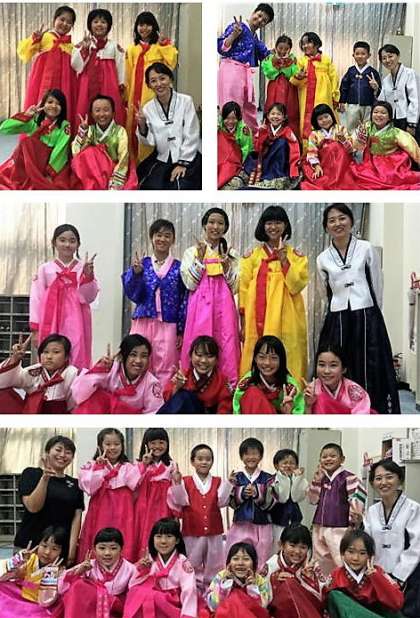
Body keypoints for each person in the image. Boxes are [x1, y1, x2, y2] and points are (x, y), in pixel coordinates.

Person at [317, 204, 401, 413]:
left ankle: (372, 408)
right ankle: (340, 408)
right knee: (338, 362)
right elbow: (323, 290)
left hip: (366, 314)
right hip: (337, 317)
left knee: (371, 364)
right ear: (326, 227)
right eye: (332, 220)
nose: (338, 223)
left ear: (351, 221)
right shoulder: (322, 258)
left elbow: (377, 282)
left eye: (342, 218)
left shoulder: (366, 248)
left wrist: (374, 313)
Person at [239, 206, 308, 381]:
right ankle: (253, 392)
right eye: (269, 223)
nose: (273, 227)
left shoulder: (296, 256)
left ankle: (290, 392)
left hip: (287, 317)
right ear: (263, 226)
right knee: (256, 353)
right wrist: (243, 322)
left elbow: (297, 286)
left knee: (287, 352)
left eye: (278, 222)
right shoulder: (252, 256)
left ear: (285, 226)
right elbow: (243, 289)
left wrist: (284, 262)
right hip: (256, 318)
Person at [121, 219, 187, 386]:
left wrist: (181, 330)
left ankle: (163, 398)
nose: (162, 239)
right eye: (158, 235)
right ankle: (135, 396)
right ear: (152, 237)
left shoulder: (179, 267)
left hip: (168, 324)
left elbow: (184, 300)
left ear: (173, 239)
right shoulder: (142, 264)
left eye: (167, 236)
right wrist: (136, 274)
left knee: (167, 364)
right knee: (139, 360)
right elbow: (133, 294)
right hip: (143, 320)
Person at [180, 208, 240, 386]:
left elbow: (235, 287)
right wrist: (199, 260)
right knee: (199, 341)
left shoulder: (231, 254)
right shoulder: (191, 252)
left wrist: (227, 268)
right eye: (212, 222)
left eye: (220, 223)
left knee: (226, 343)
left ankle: (227, 387)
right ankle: (194, 386)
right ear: (204, 225)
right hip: (199, 308)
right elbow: (190, 284)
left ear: (225, 227)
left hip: (224, 308)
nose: (215, 226)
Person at [29, 224, 98, 370]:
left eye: (72, 241)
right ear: (54, 242)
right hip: (51, 319)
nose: (67, 244)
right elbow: (36, 298)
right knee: (51, 351)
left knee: (77, 350)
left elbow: (89, 297)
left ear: (78, 244)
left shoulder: (83, 268)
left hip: (78, 319)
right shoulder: (45, 269)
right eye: (62, 240)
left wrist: (88, 276)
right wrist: (35, 329)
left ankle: (76, 382)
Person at [168, 444, 233, 592]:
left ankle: (213, 592)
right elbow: (181, 501)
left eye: (208, 459)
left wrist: (229, 484)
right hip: (192, 529)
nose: (204, 462)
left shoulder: (218, 481)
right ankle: (193, 591)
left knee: (215, 564)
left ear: (212, 461)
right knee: (192, 562)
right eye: (200, 459)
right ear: (193, 461)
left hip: (214, 530)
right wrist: (177, 483)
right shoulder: (186, 481)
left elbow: (222, 502)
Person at [14, 435, 84, 567]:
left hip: (58, 550)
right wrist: (45, 478)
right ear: (47, 452)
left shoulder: (75, 484)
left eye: (68, 452)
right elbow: (33, 507)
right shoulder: (32, 474)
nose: (62, 455)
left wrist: (72, 551)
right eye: (58, 450)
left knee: (56, 581)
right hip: (30, 547)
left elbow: (76, 518)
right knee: (23, 580)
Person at [363, 460, 420, 618]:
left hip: (408, 579)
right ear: (373, 483)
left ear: (399, 480)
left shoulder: (413, 509)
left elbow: (416, 546)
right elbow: (367, 543)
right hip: (378, 577)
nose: (383, 482)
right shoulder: (372, 511)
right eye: (378, 478)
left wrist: (398, 577)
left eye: (389, 477)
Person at [77, 429, 139, 563]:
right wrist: (99, 467)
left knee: (123, 538)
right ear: (100, 446)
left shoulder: (129, 467)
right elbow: (89, 488)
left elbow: (136, 485)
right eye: (108, 444)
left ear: (122, 446)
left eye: (116, 444)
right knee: (97, 538)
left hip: (123, 510)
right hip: (100, 509)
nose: (112, 448)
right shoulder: (91, 466)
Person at [136, 62, 201, 189]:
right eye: (153, 81)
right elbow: (150, 142)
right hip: (163, 156)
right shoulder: (148, 108)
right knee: (148, 185)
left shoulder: (186, 101)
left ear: (170, 78)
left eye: (162, 78)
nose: (159, 84)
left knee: (181, 186)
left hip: (189, 155)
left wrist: (183, 164)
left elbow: (192, 133)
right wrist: (142, 125)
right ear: (149, 85)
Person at [125, 11, 178, 161]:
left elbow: (172, 63)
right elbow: (128, 74)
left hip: (154, 95)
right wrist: (125, 97)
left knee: (155, 127)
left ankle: (154, 162)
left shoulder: (159, 46)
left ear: (154, 27)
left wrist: (165, 45)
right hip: (135, 96)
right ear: (136, 27)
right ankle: (135, 163)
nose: (144, 28)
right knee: (134, 128)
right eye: (141, 25)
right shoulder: (132, 49)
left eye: (148, 25)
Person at [308, 442, 367, 577]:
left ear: (342, 459)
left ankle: (344, 586)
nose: (328, 459)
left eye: (333, 456)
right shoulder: (321, 478)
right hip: (319, 526)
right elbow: (312, 500)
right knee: (319, 562)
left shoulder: (349, 478)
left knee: (341, 561)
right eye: (324, 457)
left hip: (340, 527)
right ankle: (324, 587)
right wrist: (316, 481)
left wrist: (353, 524)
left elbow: (357, 500)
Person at [71, 334, 164, 414]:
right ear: (122, 356)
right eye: (133, 355)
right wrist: (101, 370)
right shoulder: (111, 369)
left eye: (144, 356)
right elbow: (78, 394)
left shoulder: (152, 383)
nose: (138, 361)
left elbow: (154, 412)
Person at [124, 518, 197, 618]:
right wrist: (142, 570)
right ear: (152, 539)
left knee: (153, 596)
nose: (163, 541)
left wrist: (187, 615)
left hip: (173, 602)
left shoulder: (182, 562)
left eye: (169, 536)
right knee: (137, 592)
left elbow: (189, 589)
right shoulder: (150, 559)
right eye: (158, 536)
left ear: (177, 540)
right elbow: (132, 585)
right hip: (155, 601)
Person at [217, 5, 274, 133]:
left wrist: (277, 53)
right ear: (253, 12)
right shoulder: (238, 27)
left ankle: (250, 136)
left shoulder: (254, 36)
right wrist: (233, 35)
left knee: (249, 106)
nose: (260, 20)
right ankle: (230, 139)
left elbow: (264, 54)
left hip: (244, 72)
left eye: (264, 20)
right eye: (259, 16)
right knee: (232, 105)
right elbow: (221, 47)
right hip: (231, 70)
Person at [56, 527, 137, 617]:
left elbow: (134, 597)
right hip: (89, 610)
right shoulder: (88, 565)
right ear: (94, 549)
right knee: (78, 585)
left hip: (116, 610)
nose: (107, 553)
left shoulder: (130, 569)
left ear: (121, 549)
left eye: (113, 548)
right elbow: (61, 587)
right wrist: (79, 572)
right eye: (102, 548)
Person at [17, 6, 77, 127]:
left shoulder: (71, 45)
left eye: (69, 22)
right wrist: (34, 39)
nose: (65, 24)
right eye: (62, 19)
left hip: (63, 84)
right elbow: (24, 53)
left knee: (60, 107)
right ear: (54, 20)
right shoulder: (44, 37)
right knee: (40, 105)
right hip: (42, 81)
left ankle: (59, 133)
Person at [0, 89, 71, 190]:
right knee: (27, 142)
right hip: (28, 161)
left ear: (62, 108)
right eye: (50, 102)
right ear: (43, 104)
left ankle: (36, 177)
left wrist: (50, 173)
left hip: (47, 163)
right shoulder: (35, 121)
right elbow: (4, 129)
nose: (54, 106)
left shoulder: (65, 126)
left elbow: (60, 150)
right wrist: (27, 115)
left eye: (58, 104)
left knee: (28, 142)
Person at [326, 529, 404, 618]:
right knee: (334, 595)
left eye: (362, 553)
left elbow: (397, 603)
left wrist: (376, 578)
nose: (355, 558)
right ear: (343, 553)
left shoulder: (378, 573)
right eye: (351, 552)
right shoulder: (336, 575)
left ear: (370, 556)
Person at [71, 9, 126, 128]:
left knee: (108, 111)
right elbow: (75, 65)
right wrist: (85, 50)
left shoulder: (114, 46)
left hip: (109, 86)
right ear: (90, 25)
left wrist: (121, 86)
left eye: (103, 22)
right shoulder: (82, 44)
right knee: (85, 111)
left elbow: (121, 66)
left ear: (109, 26)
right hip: (87, 85)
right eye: (95, 21)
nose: (99, 24)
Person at [71, 94, 137, 190]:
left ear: (113, 113)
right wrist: (83, 131)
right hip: (94, 173)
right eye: (97, 110)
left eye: (106, 110)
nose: (102, 114)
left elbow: (123, 157)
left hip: (113, 172)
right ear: (92, 114)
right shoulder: (91, 130)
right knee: (89, 152)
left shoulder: (120, 131)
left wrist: (115, 183)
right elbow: (77, 152)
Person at [350, 102, 420, 190]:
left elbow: (412, 148)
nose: (379, 115)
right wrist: (358, 140)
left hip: (391, 162)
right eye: (375, 112)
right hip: (370, 161)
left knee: (390, 177)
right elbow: (354, 142)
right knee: (360, 175)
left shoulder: (396, 133)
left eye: (383, 113)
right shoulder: (366, 127)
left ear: (389, 117)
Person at [0, 334, 77, 414]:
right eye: (45, 352)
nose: (49, 357)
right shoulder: (35, 370)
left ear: (66, 357)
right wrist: (15, 358)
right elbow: (4, 382)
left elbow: (73, 405)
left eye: (56, 352)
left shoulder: (71, 373)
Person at [226, 438, 273, 568]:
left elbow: (272, 502)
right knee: (236, 553)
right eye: (247, 454)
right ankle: (235, 579)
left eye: (255, 453)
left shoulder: (268, 477)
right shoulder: (236, 477)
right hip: (240, 523)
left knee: (263, 556)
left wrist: (257, 493)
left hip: (263, 524)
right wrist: (241, 492)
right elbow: (230, 502)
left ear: (261, 456)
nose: (251, 457)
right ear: (241, 456)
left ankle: (260, 580)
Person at [132, 429, 179, 559]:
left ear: (167, 444)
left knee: (163, 534)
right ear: (146, 444)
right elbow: (133, 484)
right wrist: (143, 465)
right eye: (153, 443)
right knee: (144, 534)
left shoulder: (172, 465)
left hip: (164, 507)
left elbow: (175, 490)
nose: (157, 446)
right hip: (144, 508)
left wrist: (176, 513)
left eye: (161, 442)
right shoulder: (138, 464)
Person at [0, 525, 65, 616]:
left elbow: (46, 602)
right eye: (44, 546)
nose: (47, 552)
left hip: (38, 605)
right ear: (38, 544)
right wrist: (19, 559)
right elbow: (4, 576)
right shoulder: (30, 558)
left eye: (54, 549)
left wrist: (51, 574)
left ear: (62, 551)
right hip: (19, 595)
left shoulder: (60, 571)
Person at [160, 336, 233, 414]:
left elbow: (225, 409)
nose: (204, 361)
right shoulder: (183, 376)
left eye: (209, 356)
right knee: (184, 396)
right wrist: (177, 388)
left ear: (216, 360)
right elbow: (167, 401)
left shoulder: (222, 381)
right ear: (190, 356)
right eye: (199, 355)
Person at [264, 524, 325, 618]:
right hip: (281, 614)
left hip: (308, 613)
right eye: (292, 546)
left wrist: (308, 579)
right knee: (287, 583)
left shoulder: (311, 566)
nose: (297, 551)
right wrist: (275, 581)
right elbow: (263, 599)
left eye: (303, 547)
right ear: (281, 545)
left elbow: (322, 600)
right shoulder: (271, 565)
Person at [234, 336, 304, 414]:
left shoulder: (290, 385)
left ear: (281, 360)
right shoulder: (247, 382)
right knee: (252, 393)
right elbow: (237, 409)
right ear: (255, 359)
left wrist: (288, 414)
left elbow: (299, 411)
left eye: (273, 358)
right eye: (262, 357)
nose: (267, 363)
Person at [290, 32, 339, 144]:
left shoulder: (326, 60)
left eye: (308, 43)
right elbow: (293, 80)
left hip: (323, 96)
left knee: (324, 118)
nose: (305, 46)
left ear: (316, 44)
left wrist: (335, 95)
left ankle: (329, 145)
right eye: (303, 44)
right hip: (306, 96)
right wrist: (299, 76)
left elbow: (334, 78)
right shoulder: (301, 61)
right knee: (307, 120)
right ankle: (307, 147)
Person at [204, 542, 271, 616]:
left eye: (246, 559)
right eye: (235, 559)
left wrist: (252, 587)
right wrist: (226, 585)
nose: (240, 563)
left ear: (254, 563)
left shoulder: (259, 580)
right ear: (229, 562)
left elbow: (262, 607)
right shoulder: (221, 577)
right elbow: (213, 606)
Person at [243, 103, 301, 189]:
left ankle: (275, 174)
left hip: (279, 161)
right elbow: (257, 148)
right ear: (268, 116)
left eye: (279, 114)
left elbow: (294, 150)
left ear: (284, 117)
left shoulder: (287, 131)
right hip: (265, 159)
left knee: (282, 143)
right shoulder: (264, 128)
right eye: (273, 114)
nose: (275, 116)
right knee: (251, 157)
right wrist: (262, 133)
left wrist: (293, 169)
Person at [304, 345, 373, 414]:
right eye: (322, 365)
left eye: (333, 365)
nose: (326, 371)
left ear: (344, 369)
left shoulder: (355, 392)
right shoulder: (311, 390)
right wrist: (308, 405)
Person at [300, 104, 354, 190]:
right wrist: (317, 166)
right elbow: (312, 152)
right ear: (316, 121)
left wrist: (344, 140)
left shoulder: (341, 129)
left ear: (332, 116)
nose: (324, 120)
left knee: (335, 146)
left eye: (326, 116)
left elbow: (350, 150)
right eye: (320, 119)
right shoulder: (314, 134)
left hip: (342, 164)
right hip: (324, 164)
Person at [266, 450, 308, 551]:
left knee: (294, 547)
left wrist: (298, 479)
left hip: (294, 519)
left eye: (292, 463)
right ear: (276, 465)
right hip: (277, 520)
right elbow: (283, 498)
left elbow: (296, 497)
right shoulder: (272, 480)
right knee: (276, 548)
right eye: (284, 463)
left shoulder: (300, 479)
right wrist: (284, 478)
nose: (288, 466)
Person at [376, 44, 419, 137]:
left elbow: (415, 99)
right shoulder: (386, 80)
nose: (387, 60)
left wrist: (412, 124)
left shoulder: (409, 73)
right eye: (384, 58)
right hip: (393, 120)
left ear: (398, 56)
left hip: (408, 120)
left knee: (411, 145)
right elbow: (382, 101)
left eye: (390, 56)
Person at [262, 34, 300, 137]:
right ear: (276, 47)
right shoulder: (269, 58)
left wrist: (285, 63)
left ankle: (291, 137)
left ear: (290, 49)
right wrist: (279, 63)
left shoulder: (293, 59)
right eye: (280, 48)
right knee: (272, 107)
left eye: (286, 49)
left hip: (289, 88)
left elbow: (292, 73)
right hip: (274, 87)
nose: (283, 51)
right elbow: (269, 73)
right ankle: (270, 136)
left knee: (290, 110)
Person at [339, 41, 381, 133]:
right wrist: (342, 101)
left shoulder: (372, 72)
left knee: (367, 127)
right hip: (352, 104)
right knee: (351, 127)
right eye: (357, 54)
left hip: (368, 105)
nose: (360, 56)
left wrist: (376, 88)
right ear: (353, 55)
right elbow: (344, 86)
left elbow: (379, 91)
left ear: (369, 55)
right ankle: (352, 142)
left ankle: (366, 142)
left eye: (363, 54)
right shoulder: (351, 71)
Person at [218, 101, 253, 190]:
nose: (230, 122)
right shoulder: (219, 128)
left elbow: (246, 150)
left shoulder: (244, 130)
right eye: (227, 118)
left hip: (235, 161)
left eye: (233, 118)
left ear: (238, 118)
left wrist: (241, 166)